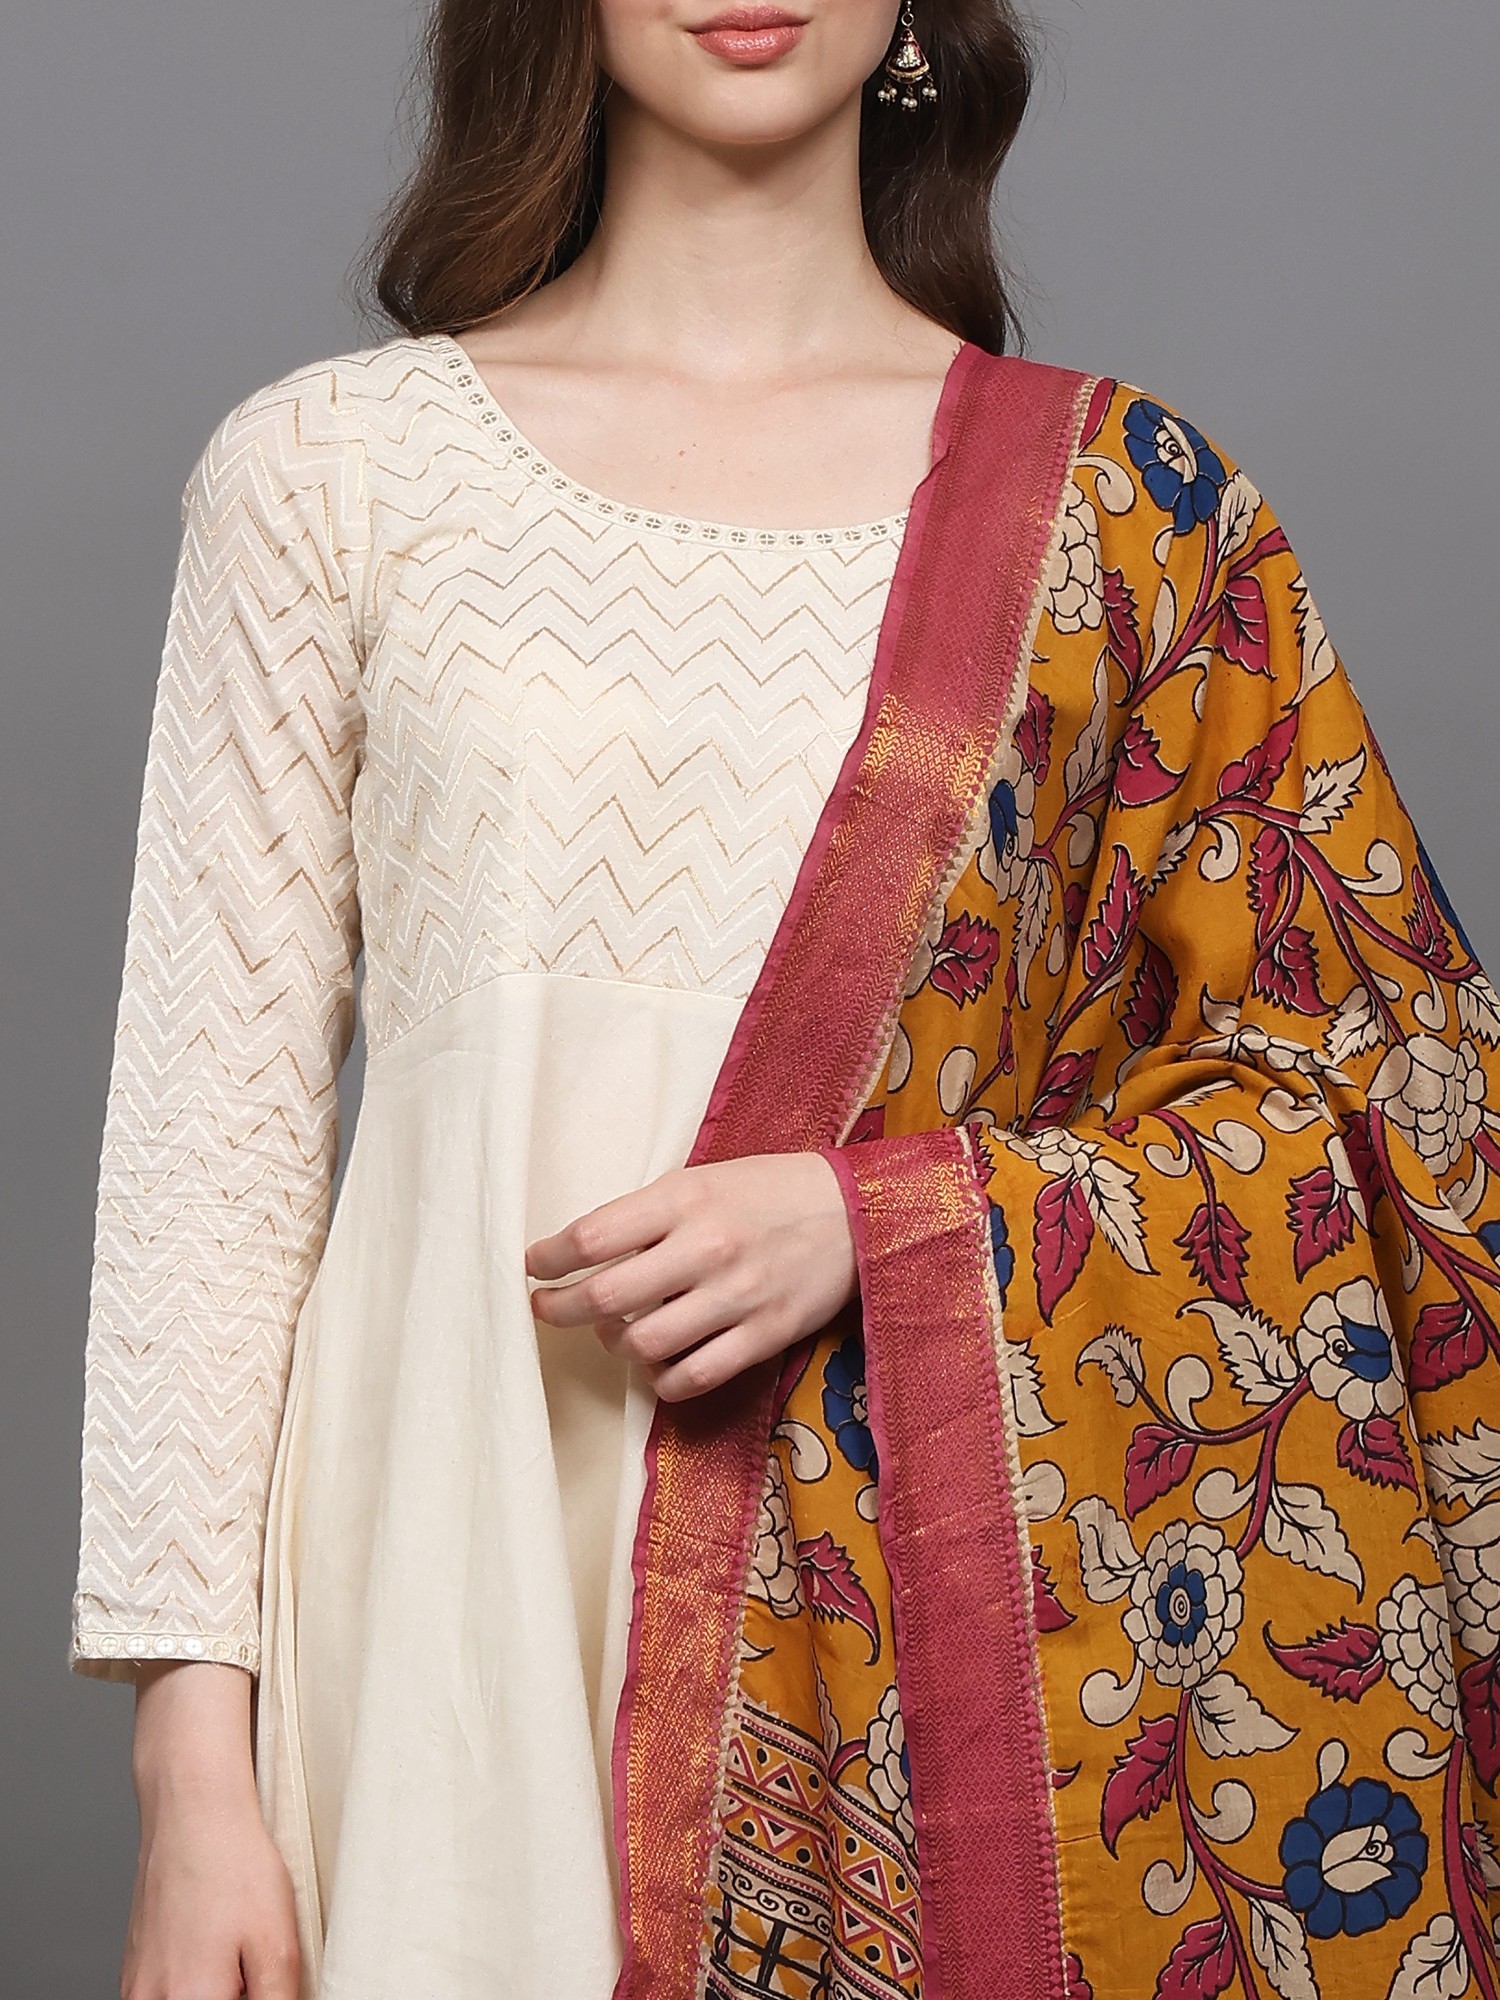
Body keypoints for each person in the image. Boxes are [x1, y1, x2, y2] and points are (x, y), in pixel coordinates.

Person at [70, 3, 1500, 1998]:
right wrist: (189, 1768)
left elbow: (1390, 1098)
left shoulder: (1126, 512)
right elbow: (207, 1155)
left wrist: (886, 1221)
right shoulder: (331, 471)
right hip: (442, 1565)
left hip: (900, 1623)